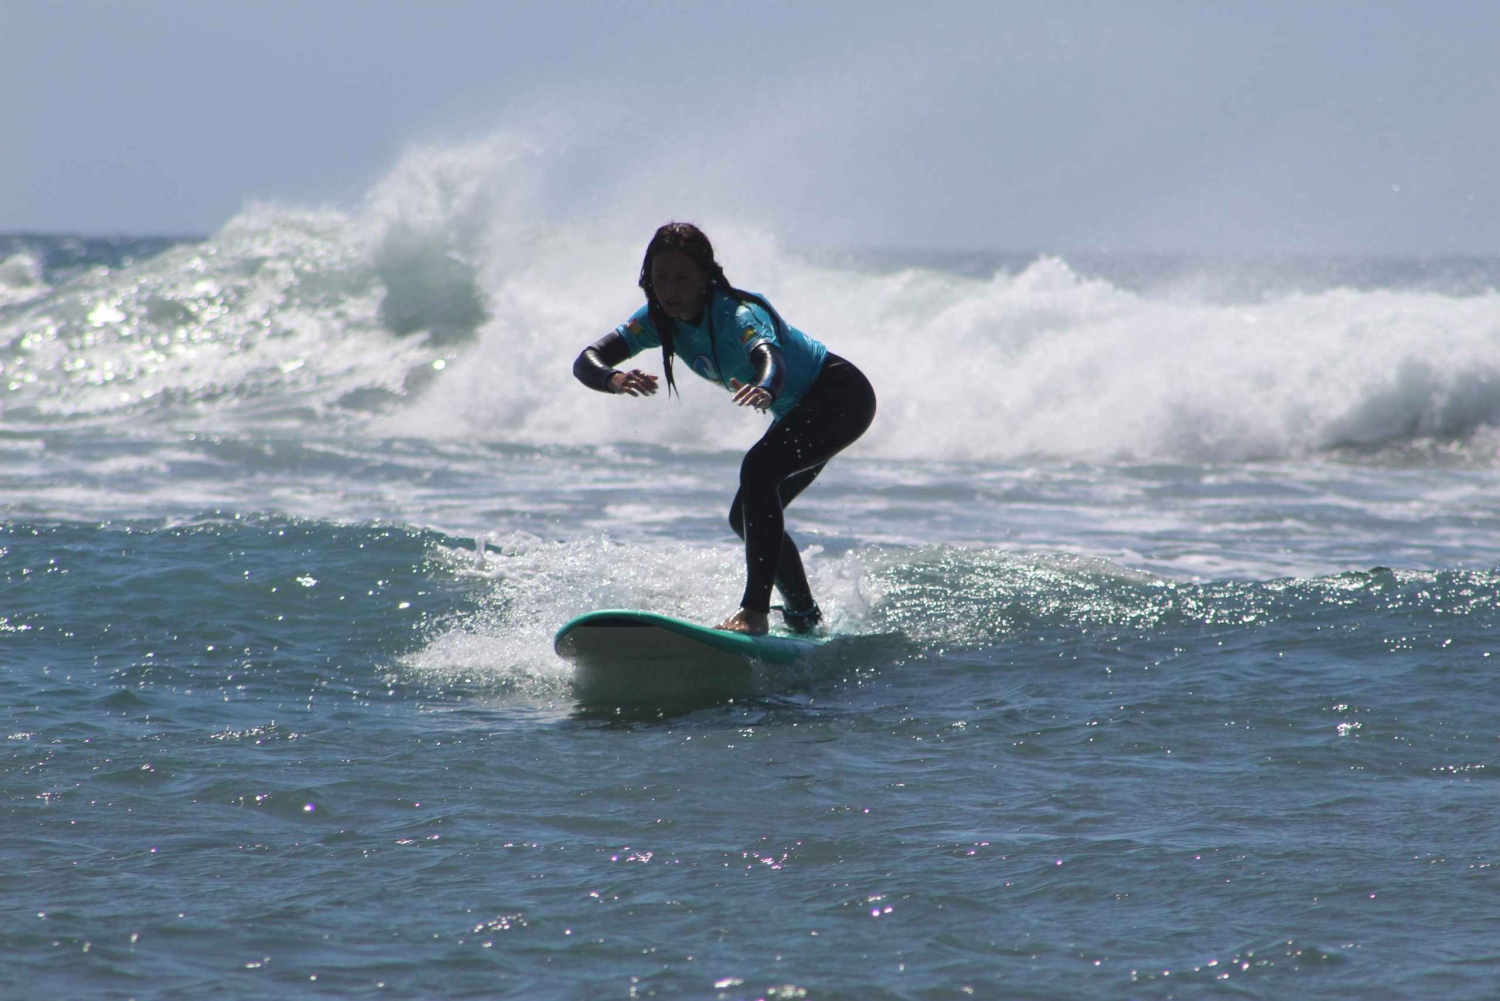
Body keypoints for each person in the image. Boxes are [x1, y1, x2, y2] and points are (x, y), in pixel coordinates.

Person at [572, 222, 876, 636]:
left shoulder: (738, 313)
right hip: (799, 412)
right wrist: (612, 379)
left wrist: (766, 387)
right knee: (744, 516)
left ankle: (754, 615)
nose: (670, 290)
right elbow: (589, 357)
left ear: (705, 278)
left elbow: (770, 357)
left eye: (682, 278)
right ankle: (805, 617)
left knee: (758, 470)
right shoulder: (657, 320)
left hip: (840, 397)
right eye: (660, 278)